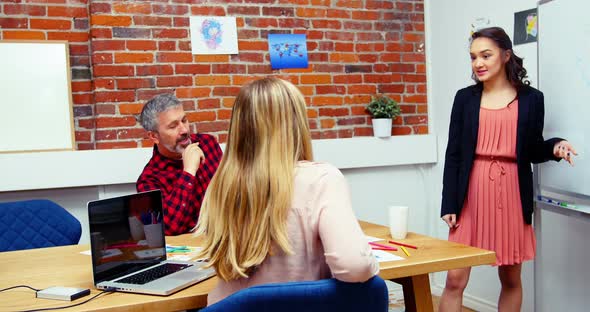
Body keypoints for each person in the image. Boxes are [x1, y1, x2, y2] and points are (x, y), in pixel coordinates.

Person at [194, 77, 379, 306]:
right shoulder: (321, 179)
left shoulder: (221, 186)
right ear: (296, 124)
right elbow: (355, 266)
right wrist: (369, 258)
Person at [439, 27, 578, 312]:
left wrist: (554, 147)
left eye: (485, 55)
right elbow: (453, 154)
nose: (478, 63)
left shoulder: (532, 99)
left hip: (512, 193)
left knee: (511, 278)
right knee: (454, 279)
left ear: (505, 55)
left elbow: (532, 149)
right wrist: (449, 202)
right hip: (471, 194)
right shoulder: (464, 99)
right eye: (473, 57)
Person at [137, 93, 223, 236]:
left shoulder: (208, 144)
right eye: (173, 126)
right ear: (154, 136)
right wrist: (189, 172)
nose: (184, 130)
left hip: (229, 240)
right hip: (190, 251)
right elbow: (170, 228)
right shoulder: (149, 181)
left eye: (184, 120)